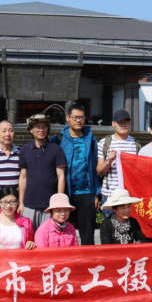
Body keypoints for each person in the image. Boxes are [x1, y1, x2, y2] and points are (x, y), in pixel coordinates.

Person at [50, 103, 101, 245]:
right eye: (75, 117)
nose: (79, 120)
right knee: (63, 235)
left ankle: (88, 259)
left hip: (86, 193)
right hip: (66, 193)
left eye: (82, 117)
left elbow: (94, 166)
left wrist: (95, 193)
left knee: (88, 236)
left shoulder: (90, 139)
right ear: (68, 118)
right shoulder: (58, 139)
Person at [18, 114, 67, 228]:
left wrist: (59, 202)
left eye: (44, 126)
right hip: (29, 204)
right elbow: (23, 177)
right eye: (38, 127)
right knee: (29, 236)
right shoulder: (24, 150)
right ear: (31, 130)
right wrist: (21, 202)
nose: (41, 130)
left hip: (49, 205)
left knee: (48, 236)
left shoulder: (56, 149)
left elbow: (61, 176)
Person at [96, 109, 141, 218]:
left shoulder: (136, 144)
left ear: (130, 124)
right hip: (110, 196)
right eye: (120, 122)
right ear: (113, 123)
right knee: (110, 226)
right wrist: (109, 161)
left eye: (126, 122)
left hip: (129, 196)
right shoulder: (104, 143)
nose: (123, 124)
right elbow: (99, 172)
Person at [0, 186, 36, 252]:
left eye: (12, 202)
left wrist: (30, 244)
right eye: (4, 202)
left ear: (17, 202)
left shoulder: (26, 223)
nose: (8, 206)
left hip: (19, 258)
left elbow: (29, 244)